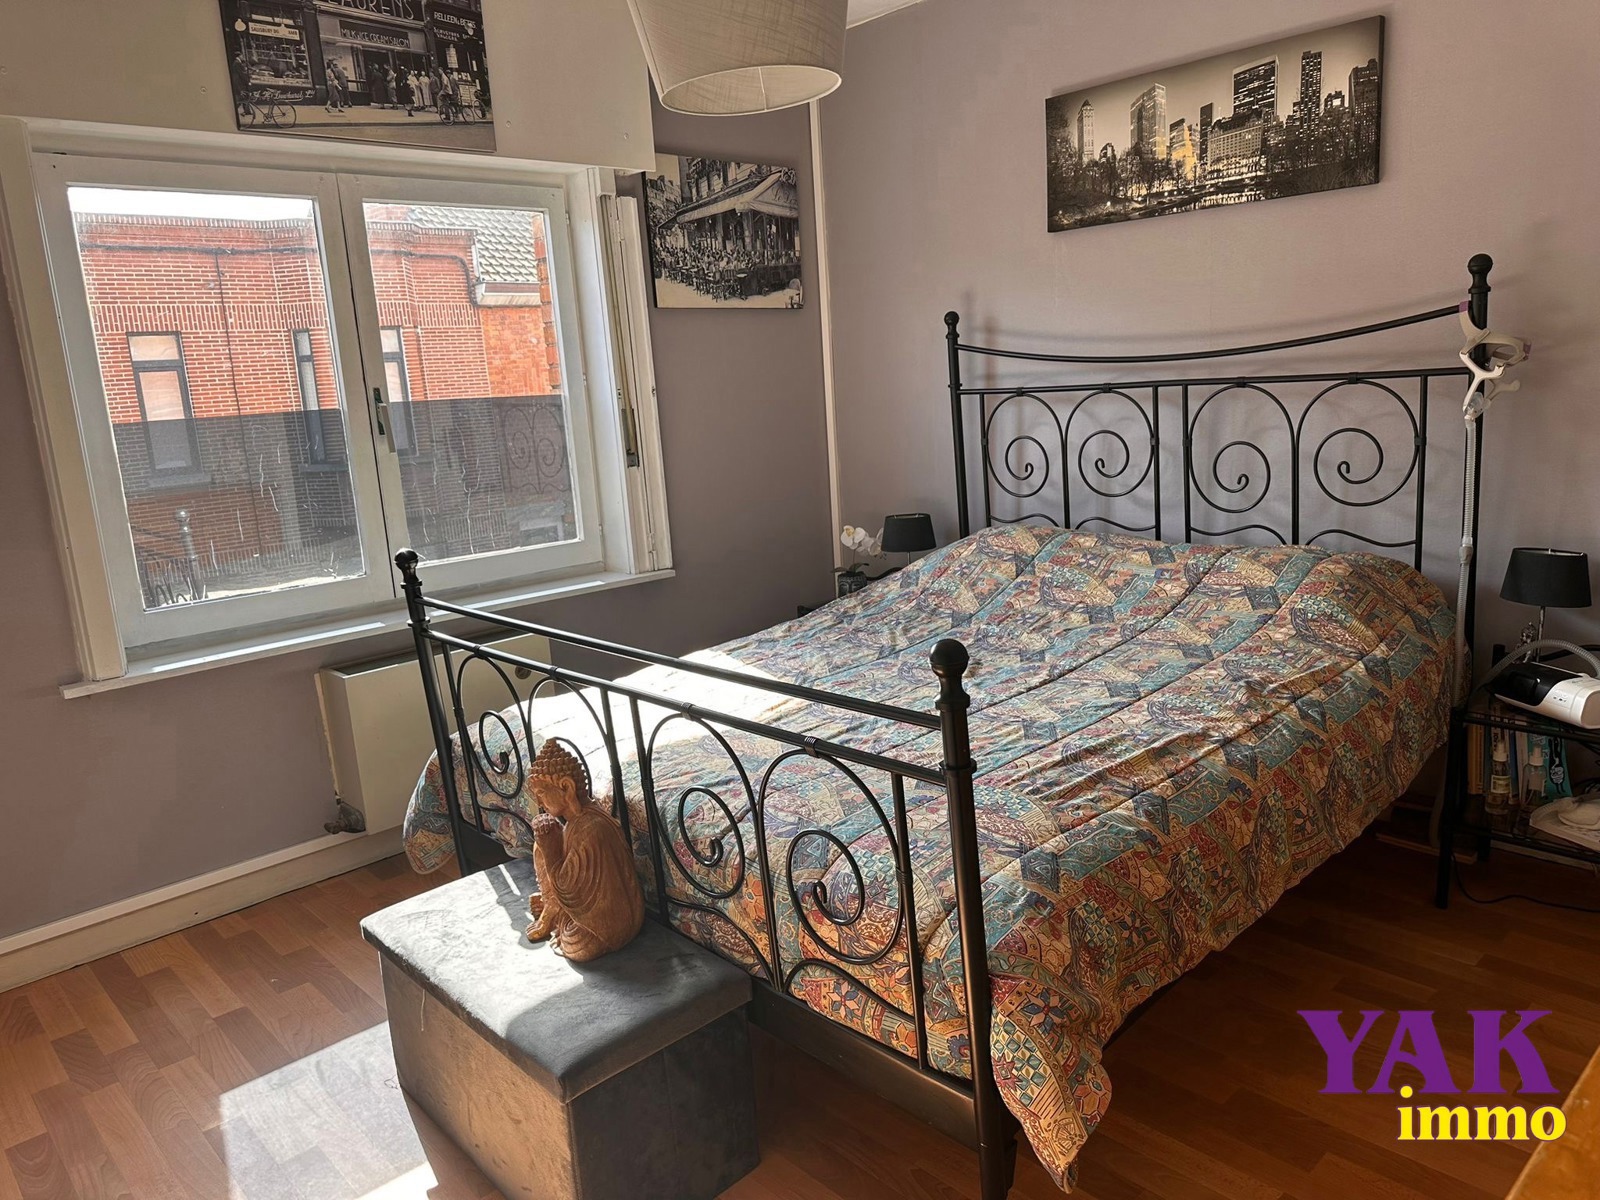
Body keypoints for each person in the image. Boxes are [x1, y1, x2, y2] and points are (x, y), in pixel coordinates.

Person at [523, 741, 644, 962]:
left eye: (541, 793)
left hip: (603, 933)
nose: (539, 802)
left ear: (566, 787)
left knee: (576, 944)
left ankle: (552, 911)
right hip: (611, 916)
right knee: (542, 842)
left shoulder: (590, 829)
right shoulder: (581, 820)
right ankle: (552, 907)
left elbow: (567, 889)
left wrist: (550, 849)